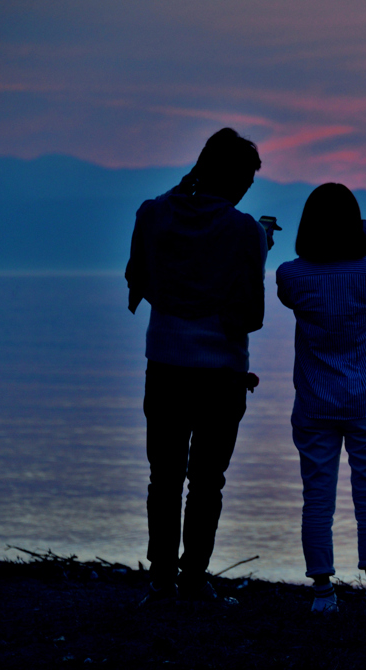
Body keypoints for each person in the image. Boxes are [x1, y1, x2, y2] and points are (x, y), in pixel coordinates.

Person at [125, 128, 274, 605]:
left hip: (164, 364)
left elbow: (139, 277)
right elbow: (249, 312)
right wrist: (259, 246)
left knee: (163, 477)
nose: (247, 190)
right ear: (233, 176)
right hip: (221, 373)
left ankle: (161, 581)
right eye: (246, 179)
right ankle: (193, 580)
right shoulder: (245, 230)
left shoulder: (153, 214)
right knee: (207, 481)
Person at [276, 183, 366, 616]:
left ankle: (322, 595)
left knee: (316, 498)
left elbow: (287, 299)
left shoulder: (290, 276)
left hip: (314, 402)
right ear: (356, 226)